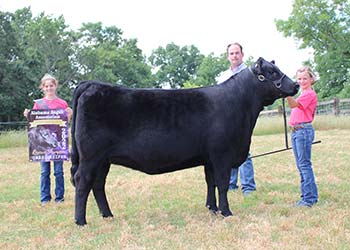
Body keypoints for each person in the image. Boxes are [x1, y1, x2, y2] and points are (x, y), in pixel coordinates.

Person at [23, 74, 72, 205]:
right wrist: (27, 116)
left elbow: (65, 122)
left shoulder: (62, 103)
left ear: (55, 86)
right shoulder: (38, 104)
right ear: (43, 88)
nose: (49, 88)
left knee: (58, 172)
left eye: (51, 85)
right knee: (45, 172)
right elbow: (33, 122)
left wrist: (70, 115)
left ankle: (59, 198)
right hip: (42, 143)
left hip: (58, 142)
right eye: (46, 86)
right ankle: (45, 199)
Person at [216, 42, 256, 195]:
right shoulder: (223, 76)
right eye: (231, 53)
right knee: (227, 151)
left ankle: (248, 187)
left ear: (242, 55)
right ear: (228, 56)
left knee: (244, 152)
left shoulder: (249, 74)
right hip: (225, 120)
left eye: (237, 53)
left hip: (242, 118)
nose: (234, 56)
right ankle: (231, 184)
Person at [286, 66, 318, 207]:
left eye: (305, 78)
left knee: (304, 165)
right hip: (297, 130)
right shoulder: (303, 93)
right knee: (302, 165)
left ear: (311, 79)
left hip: (302, 130)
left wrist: (286, 94)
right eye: (299, 79)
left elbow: (294, 105)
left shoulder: (309, 94)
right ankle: (308, 196)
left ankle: (308, 199)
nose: (302, 81)